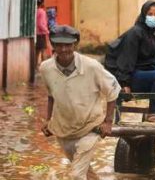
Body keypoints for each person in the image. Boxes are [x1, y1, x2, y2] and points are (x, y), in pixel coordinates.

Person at [40, 25, 121, 180]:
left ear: (75, 45)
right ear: (52, 45)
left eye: (67, 45)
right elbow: (51, 95)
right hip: (64, 128)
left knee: (77, 175)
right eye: (58, 45)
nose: (63, 49)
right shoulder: (46, 68)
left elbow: (113, 90)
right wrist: (48, 120)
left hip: (91, 126)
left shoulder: (92, 66)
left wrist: (108, 122)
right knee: (85, 172)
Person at [105, 0, 155, 122]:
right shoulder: (135, 32)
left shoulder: (154, 35)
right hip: (133, 76)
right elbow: (127, 59)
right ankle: (152, 113)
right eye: (150, 14)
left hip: (147, 75)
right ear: (144, 15)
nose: (153, 17)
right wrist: (124, 83)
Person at [36, 0, 49, 68]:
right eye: (44, 2)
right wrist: (47, 31)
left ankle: (35, 67)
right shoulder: (42, 12)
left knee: (37, 51)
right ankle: (44, 68)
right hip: (41, 34)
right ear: (42, 3)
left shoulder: (36, 11)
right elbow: (40, 24)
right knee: (43, 51)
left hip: (36, 34)